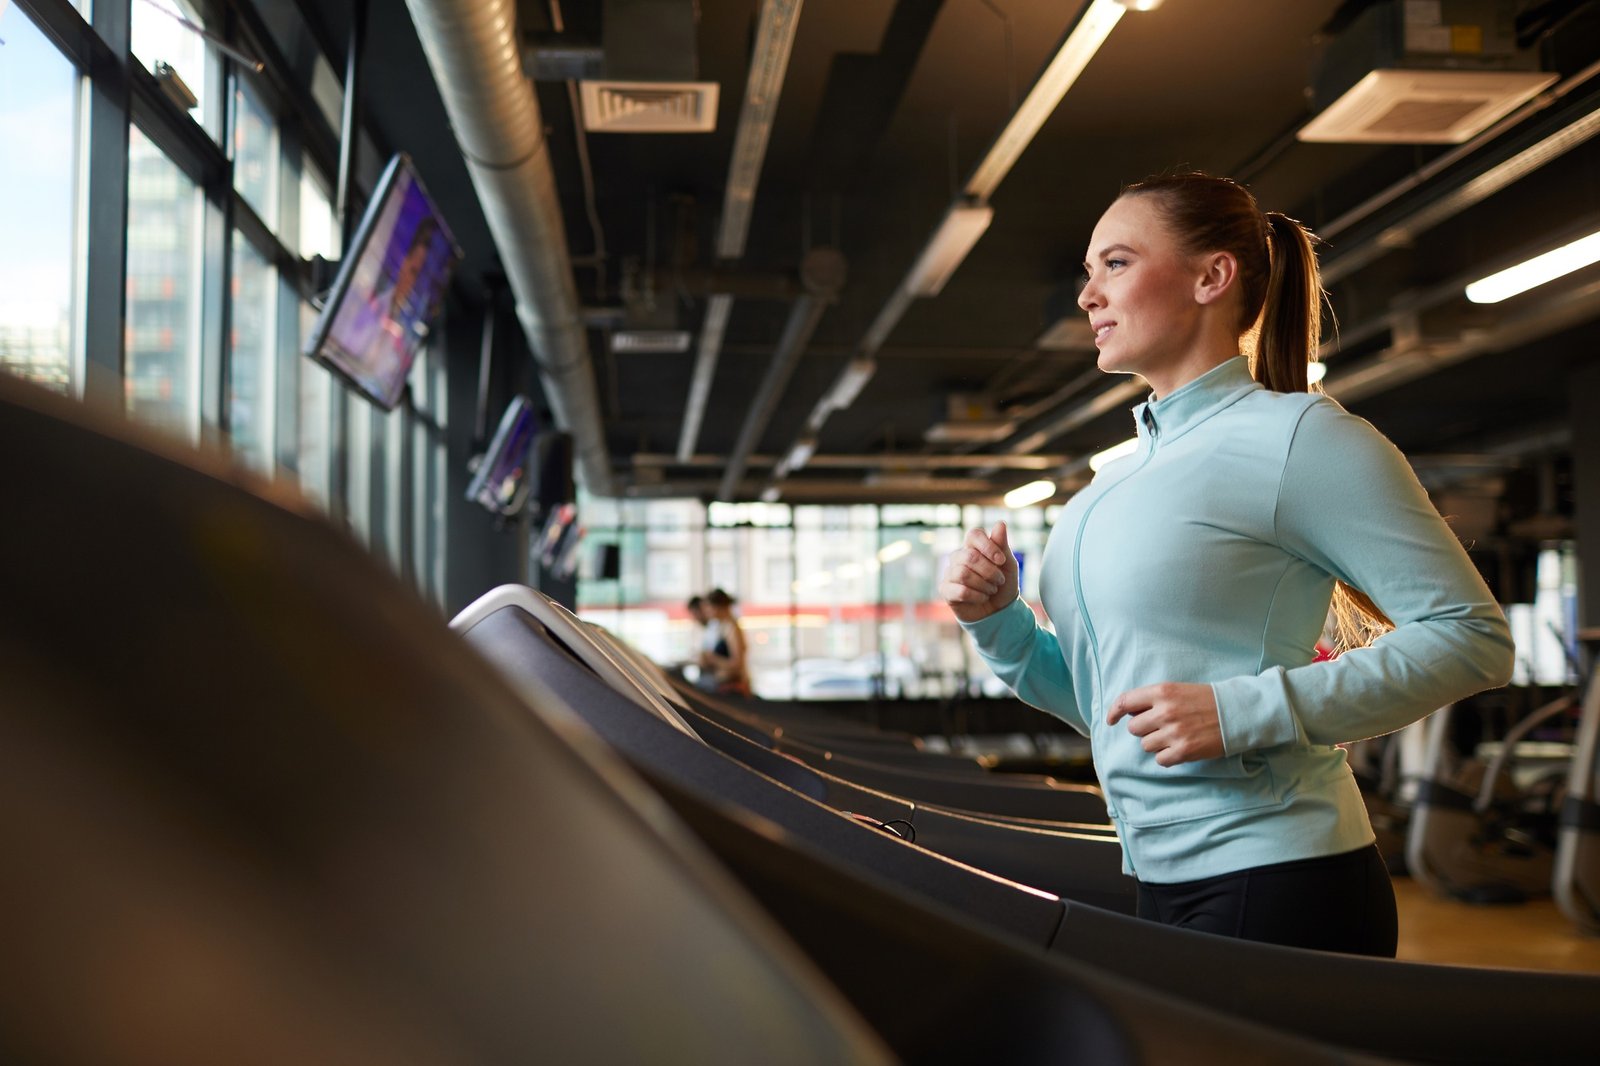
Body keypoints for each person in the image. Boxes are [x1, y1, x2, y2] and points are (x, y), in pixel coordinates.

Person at [940, 172, 1514, 957]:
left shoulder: (1301, 437)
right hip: (1157, 873)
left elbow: (1471, 637)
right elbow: (1112, 712)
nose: (1087, 297)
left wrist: (1244, 712)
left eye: (1114, 264)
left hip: (1284, 874)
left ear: (1212, 277)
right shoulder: (1110, 485)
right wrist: (997, 624)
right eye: (1087, 272)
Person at [698, 588, 752, 696]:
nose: (705, 611)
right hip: (723, 683)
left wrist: (712, 659)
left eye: (707, 607)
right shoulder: (721, 626)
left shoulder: (732, 628)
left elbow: (737, 665)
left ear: (718, 607)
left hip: (732, 687)